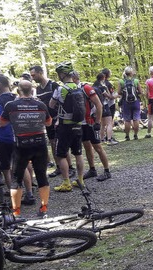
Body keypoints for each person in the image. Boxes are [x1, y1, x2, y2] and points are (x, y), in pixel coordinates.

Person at [0, 80, 51, 217]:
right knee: (42, 176)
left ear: (18, 91)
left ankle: (16, 211)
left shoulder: (11, 105)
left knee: (16, 179)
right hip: (40, 144)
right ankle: (43, 209)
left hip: (22, 145)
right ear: (31, 90)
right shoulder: (41, 104)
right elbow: (49, 123)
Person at [29, 65, 72, 178]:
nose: (32, 78)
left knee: (61, 144)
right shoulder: (38, 89)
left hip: (58, 119)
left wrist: (59, 118)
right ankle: (59, 167)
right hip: (47, 120)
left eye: (34, 75)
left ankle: (70, 167)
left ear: (40, 73)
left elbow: (63, 102)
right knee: (53, 143)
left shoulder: (53, 85)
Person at [49, 61, 85, 192]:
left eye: (59, 73)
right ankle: (80, 180)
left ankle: (66, 183)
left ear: (63, 74)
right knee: (78, 153)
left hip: (65, 126)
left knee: (62, 154)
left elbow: (51, 105)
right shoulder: (78, 87)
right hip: (78, 125)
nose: (58, 76)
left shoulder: (60, 89)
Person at [71, 71, 112, 182]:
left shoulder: (86, 88)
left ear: (74, 78)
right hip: (81, 123)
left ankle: (107, 171)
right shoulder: (72, 89)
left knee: (98, 147)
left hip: (90, 122)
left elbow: (99, 105)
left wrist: (98, 122)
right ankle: (92, 169)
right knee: (87, 146)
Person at [116, 66, 143, 141]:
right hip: (135, 102)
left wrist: (124, 93)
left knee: (127, 120)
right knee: (136, 119)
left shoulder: (121, 81)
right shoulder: (136, 81)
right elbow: (140, 92)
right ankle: (135, 135)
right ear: (131, 73)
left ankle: (127, 136)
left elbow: (118, 92)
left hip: (126, 102)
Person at [101, 68, 118, 143]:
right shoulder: (108, 84)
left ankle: (102, 138)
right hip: (109, 105)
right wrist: (117, 95)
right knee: (109, 122)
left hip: (101, 105)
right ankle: (109, 138)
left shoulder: (99, 83)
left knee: (102, 123)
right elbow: (111, 96)